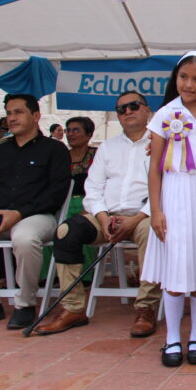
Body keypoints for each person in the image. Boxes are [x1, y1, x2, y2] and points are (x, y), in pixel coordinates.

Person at [33, 92, 162, 337]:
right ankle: (73, 308)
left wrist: (137, 218)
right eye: (121, 109)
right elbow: (92, 188)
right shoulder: (107, 148)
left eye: (134, 106)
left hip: (143, 216)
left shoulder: (161, 143)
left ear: (147, 110)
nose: (128, 111)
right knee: (65, 231)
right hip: (106, 215)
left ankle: (146, 307)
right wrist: (102, 217)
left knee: (153, 233)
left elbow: (169, 187)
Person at [144, 51, 196, 367]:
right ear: (175, 78)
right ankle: (172, 338)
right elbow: (155, 168)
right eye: (184, 77)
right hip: (174, 192)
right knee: (175, 268)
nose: (189, 84)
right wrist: (156, 210)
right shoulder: (164, 114)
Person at [0, 94, 70, 329]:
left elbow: (56, 193)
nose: (12, 118)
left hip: (37, 216)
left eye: (18, 112)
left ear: (35, 116)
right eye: (9, 113)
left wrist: (19, 213)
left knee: (24, 238)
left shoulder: (55, 150)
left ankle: (25, 304)